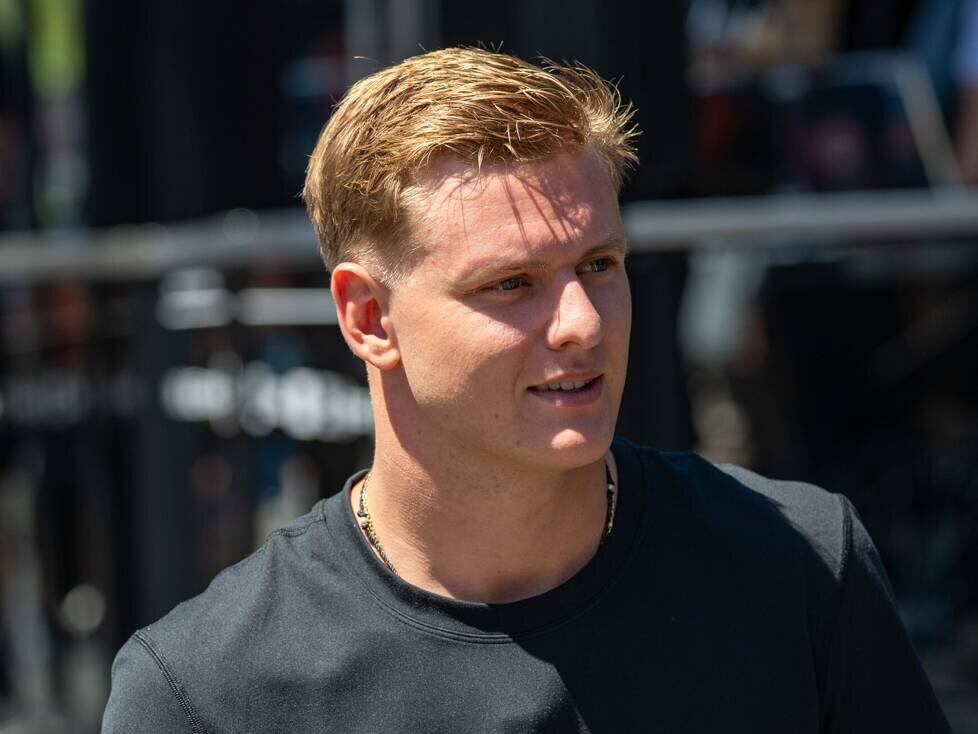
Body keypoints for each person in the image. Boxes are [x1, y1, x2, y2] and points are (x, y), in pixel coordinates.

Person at [102, 47, 950, 732]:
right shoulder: (209, 693)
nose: (582, 322)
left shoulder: (799, 568)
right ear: (368, 317)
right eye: (511, 284)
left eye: (599, 265)